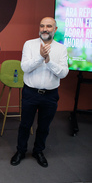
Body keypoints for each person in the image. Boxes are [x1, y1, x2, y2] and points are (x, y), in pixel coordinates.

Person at [10, 17, 68, 167]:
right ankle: (20, 151)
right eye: (42, 26)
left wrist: (48, 61)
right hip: (30, 93)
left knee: (44, 126)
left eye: (49, 26)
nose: (45, 29)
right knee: (25, 125)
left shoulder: (61, 49)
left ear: (55, 29)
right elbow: (25, 67)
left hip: (50, 95)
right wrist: (40, 57)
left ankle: (38, 151)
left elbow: (63, 73)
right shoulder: (29, 44)